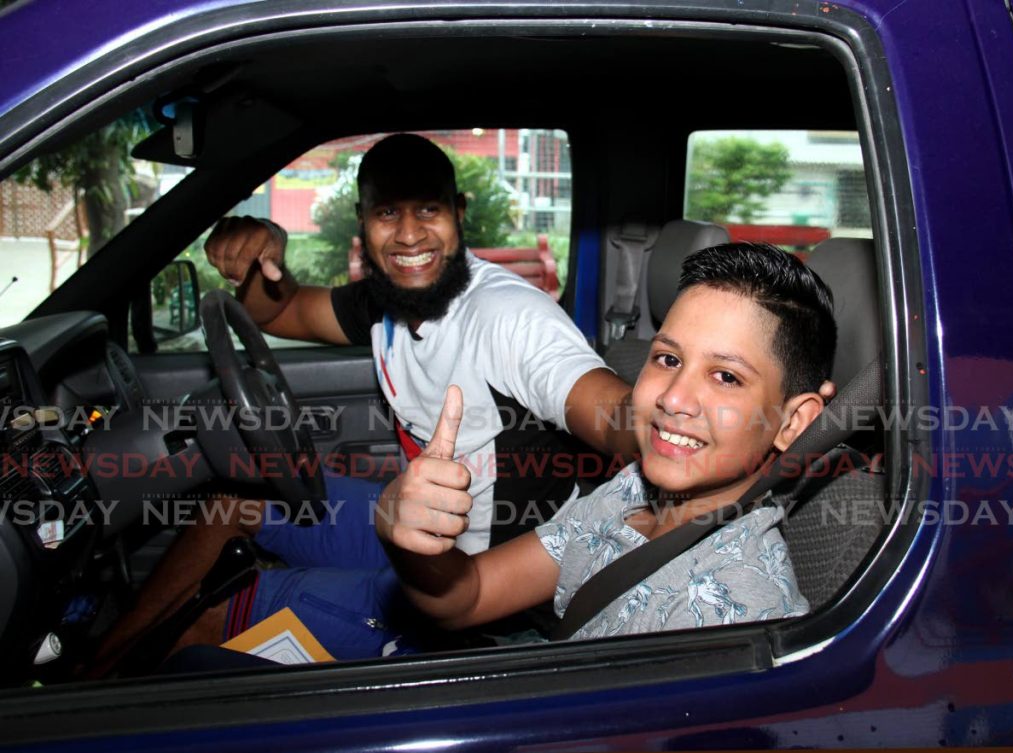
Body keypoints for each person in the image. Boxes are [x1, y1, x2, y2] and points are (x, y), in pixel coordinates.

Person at [92, 133, 636, 670]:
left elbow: (610, 415)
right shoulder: (385, 302)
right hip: (406, 532)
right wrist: (262, 251)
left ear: (459, 213)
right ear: (362, 220)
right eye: (387, 214)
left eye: (428, 209)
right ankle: (92, 673)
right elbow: (274, 313)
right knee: (230, 504)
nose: (408, 234)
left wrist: (679, 426)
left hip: (483, 588)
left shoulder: (508, 316)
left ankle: (88, 700)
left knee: (198, 622)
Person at [375, 242, 835, 639]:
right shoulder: (632, 489)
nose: (673, 398)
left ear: (793, 422)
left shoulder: (736, 611)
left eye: (726, 377)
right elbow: (469, 596)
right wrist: (406, 535)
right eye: (668, 359)